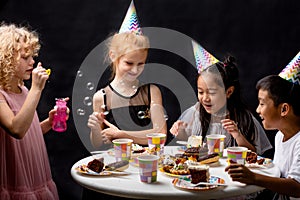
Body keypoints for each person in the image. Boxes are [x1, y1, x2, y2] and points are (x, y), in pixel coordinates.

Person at [0, 23, 69, 199]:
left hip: (34, 173)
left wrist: (48, 123)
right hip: (16, 176)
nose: (32, 62)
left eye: (32, 56)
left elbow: (29, 129)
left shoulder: (23, 90)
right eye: (25, 57)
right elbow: (16, 129)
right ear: (5, 59)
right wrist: (37, 89)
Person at [170, 56, 272, 155]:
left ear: (229, 92)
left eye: (212, 93)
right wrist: (181, 133)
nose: (205, 98)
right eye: (201, 92)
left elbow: (253, 154)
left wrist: (238, 136)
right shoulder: (195, 114)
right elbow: (188, 147)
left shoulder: (244, 118)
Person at [225, 74, 300, 199]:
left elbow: (297, 187)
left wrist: (253, 178)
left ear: (284, 109)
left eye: (262, 104)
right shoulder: (280, 136)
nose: (257, 110)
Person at [87, 31, 167, 148]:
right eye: (129, 63)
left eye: (140, 64)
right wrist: (95, 129)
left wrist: (121, 134)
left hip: (147, 161)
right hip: (117, 162)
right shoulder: (101, 97)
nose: (135, 70)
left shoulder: (151, 92)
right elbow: (97, 144)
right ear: (113, 56)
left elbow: (161, 135)